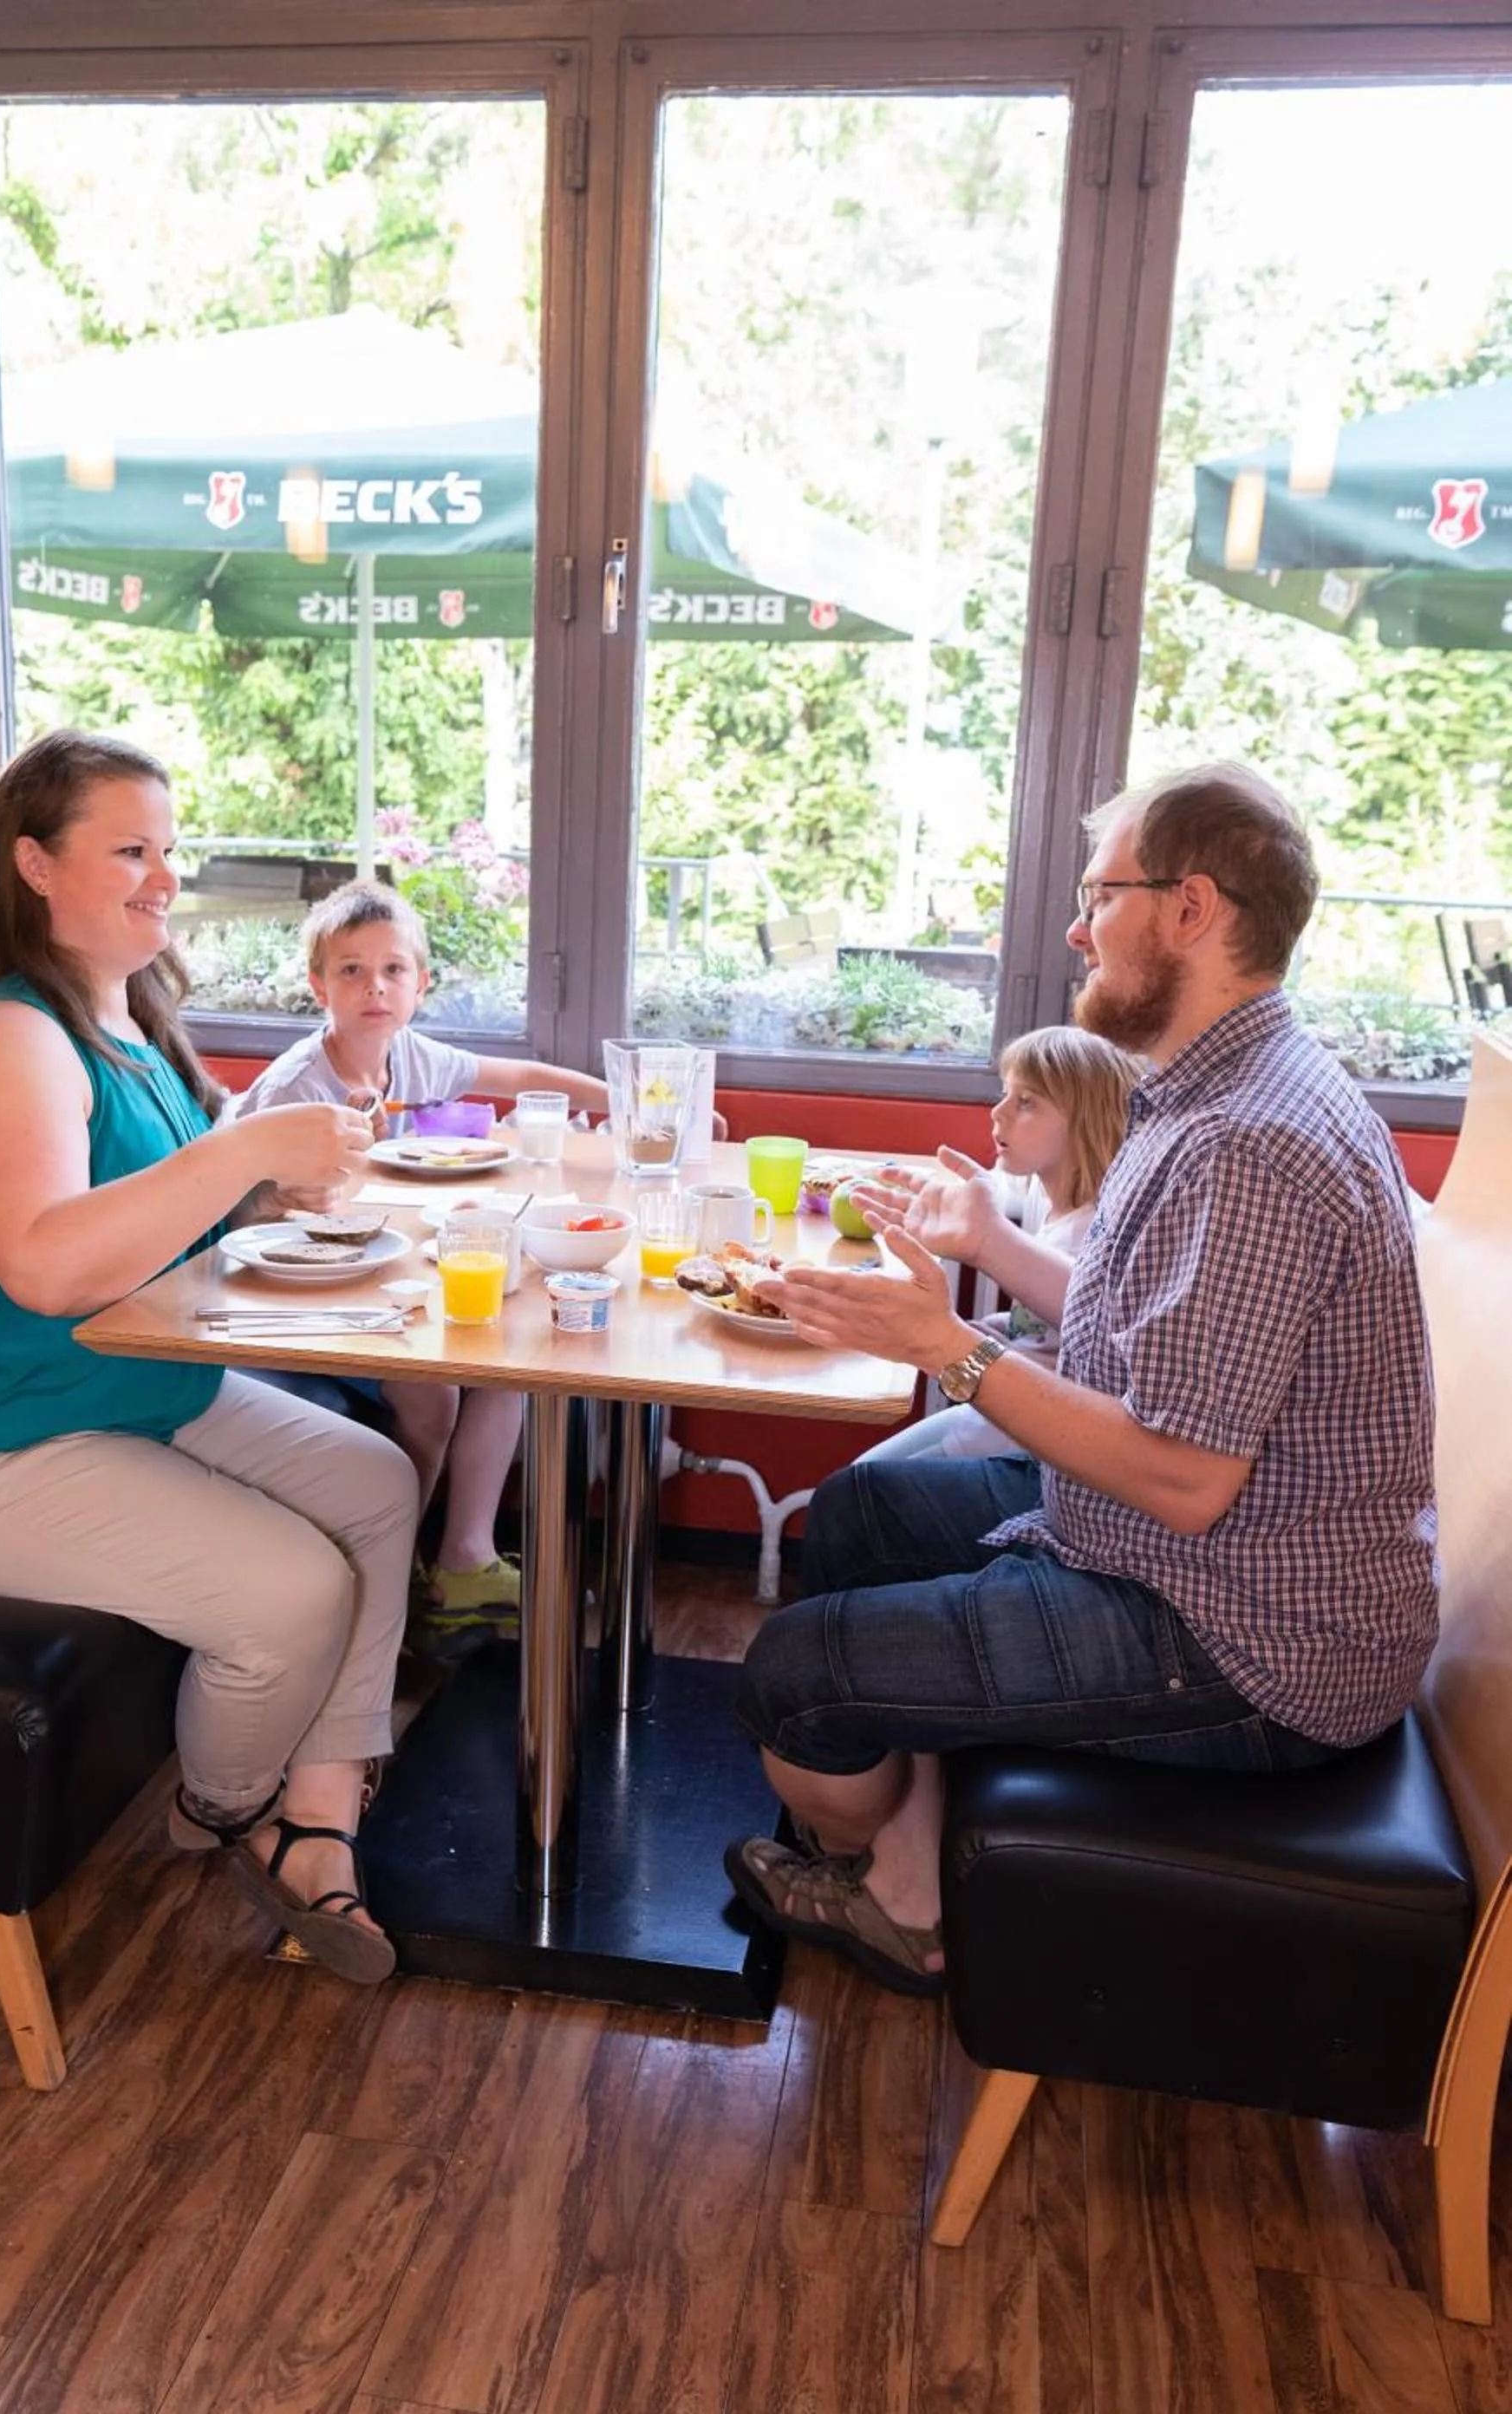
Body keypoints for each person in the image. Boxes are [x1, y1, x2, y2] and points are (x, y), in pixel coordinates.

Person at [725, 761, 1439, 1999]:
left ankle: (889, 1882)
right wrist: (985, 1255)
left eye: (1098, 895)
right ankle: (915, 1883)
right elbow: (1148, 1340)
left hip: (1246, 1642)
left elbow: (1179, 1479)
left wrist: (949, 1346)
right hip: (1172, 1556)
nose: (1073, 929)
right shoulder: (1212, 1092)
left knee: (789, 1678)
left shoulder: (1248, 1145)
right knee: (855, 1517)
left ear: (1189, 909)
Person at [0, 729, 420, 1987]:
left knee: (375, 1484)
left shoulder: (127, 1020)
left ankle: (318, 1819)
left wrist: (281, 1194)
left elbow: (183, 1219)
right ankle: (220, 1812)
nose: (164, 877)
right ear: (34, 866)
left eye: (169, 851)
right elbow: (49, 1267)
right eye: (130, 851)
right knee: (291, 1594)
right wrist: (243, 1152)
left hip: (130, 1393)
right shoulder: (5, 1034)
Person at [231, 879, 609, 1648]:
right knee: (433, 1389)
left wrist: (624, 1101)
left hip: (373, 1264)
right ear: (318, 987)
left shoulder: (409, 1056)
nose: (376, 987)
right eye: (352, 971)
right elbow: (239, 1208)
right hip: (296, 1283)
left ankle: (463, 1556)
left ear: (421, 984)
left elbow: (518, 1079)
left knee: (514, 1348)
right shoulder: (298, 1084)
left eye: (394, 970)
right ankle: (392, 1569)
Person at [857, 1025, 1140, 1465]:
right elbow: (1046, 1331)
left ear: (1086, 1121)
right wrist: (988, 1328)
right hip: (998, 1420)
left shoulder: (1093, 1233)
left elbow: (1089, 1330)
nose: (998, 1113)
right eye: (1005, 1094)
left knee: (864, 1491)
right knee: (865, 1475)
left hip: (1029, 1445)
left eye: (1026, 1102)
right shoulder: (1051, 1208)